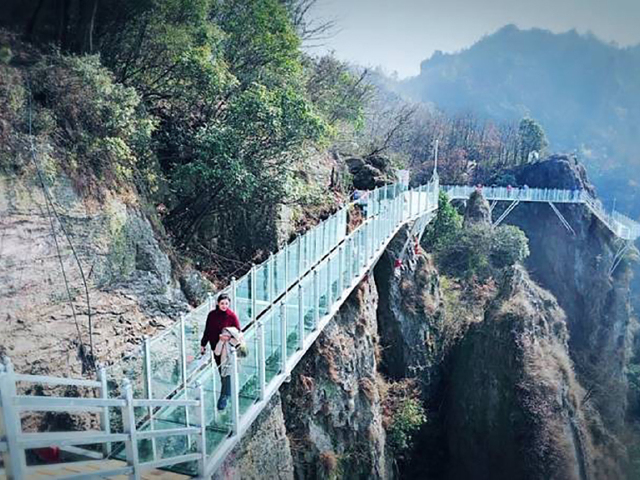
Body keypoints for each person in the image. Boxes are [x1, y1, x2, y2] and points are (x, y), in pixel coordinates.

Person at [200, 293, 241, 410]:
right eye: (222, 303)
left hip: (227, 349)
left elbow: (239, 332)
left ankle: (224, 396)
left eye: (226, 303)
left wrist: (227, 338)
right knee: (221, 371)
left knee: (225, 371)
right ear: (218, 303)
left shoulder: (231, 316)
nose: (224, 306)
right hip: (216, 348)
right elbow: (207, 330)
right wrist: (203, 344)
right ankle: (228, 390)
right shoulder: (212, 315)